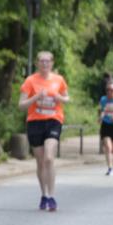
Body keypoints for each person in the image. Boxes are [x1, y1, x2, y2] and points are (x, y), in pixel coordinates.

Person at [18, 51, 69, 211]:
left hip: (54, 120)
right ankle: (44, 194)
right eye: (42, 61)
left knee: (49, 157)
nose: (45, 64)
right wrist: (36, 97)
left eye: (48, 61)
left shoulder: (59, 80)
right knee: (40, 162)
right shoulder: (30, 81)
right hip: (35, 122)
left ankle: (52, 197)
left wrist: (59, 98)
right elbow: (21, 105)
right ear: (37, 63)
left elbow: (67, 98)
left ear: (52, 63)